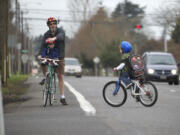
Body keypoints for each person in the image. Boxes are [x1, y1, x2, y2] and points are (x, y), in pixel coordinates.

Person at [37, 17, 68, 105]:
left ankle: (62, 97)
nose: (52, 25)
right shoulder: (46, 34)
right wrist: (39, 54)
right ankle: (46, 77)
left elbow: (61, 37)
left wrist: (54, 39)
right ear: (48, 26)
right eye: (50, 24)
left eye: (54, 23)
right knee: (42, 63)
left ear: (56, 24)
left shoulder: (60, 32)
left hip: (59, 57)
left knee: (60, 76)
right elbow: (42, 46)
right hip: (49, 56)